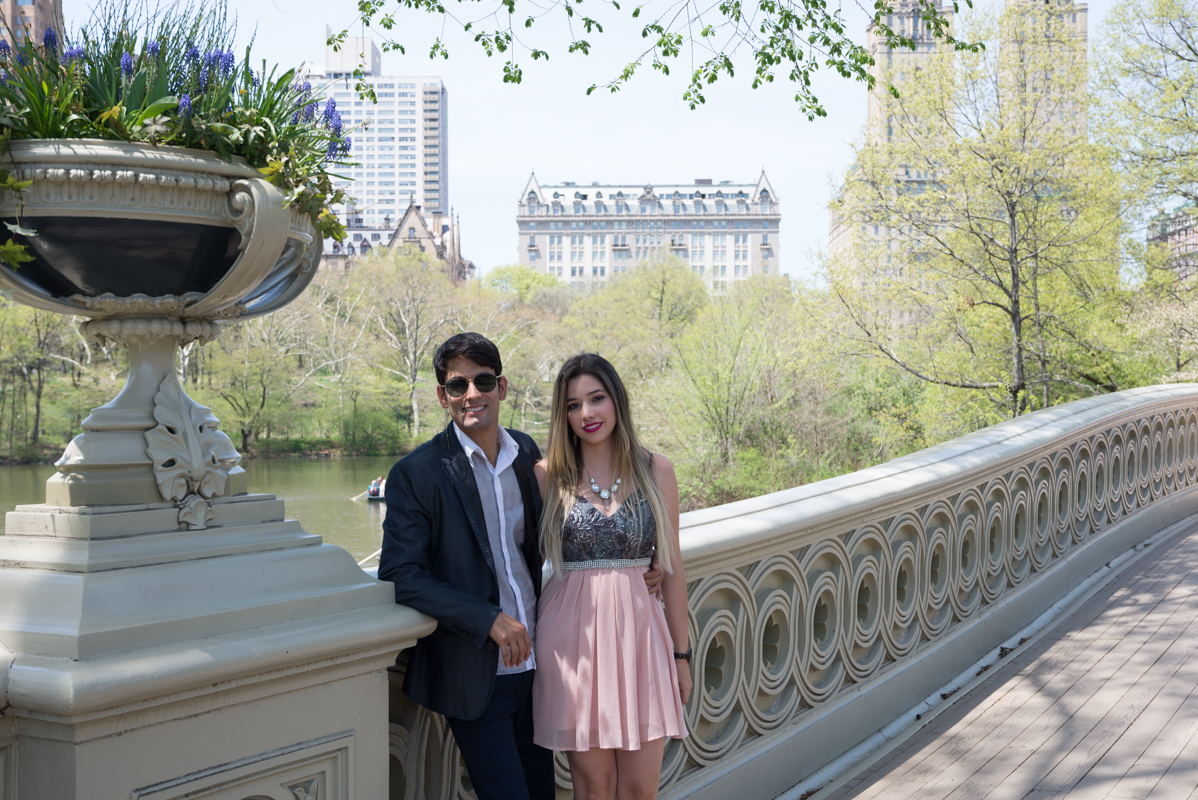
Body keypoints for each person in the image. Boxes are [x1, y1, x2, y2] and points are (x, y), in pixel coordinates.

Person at [378, 334, 662, 800]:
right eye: (458, 386)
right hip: (476, 672)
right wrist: (486, 618)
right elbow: (400, 574)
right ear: (443, 397)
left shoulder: (529, 457)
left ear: (502, 387)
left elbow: (572, 533)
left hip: (544, 664)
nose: (472, 394)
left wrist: (642, 564)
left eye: (483, 381)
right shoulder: (418, 473)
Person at [532, 353, 691, 800]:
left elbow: (673, 568)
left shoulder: (656, 469)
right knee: (594, 788)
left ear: (617, 400)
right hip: (572, 645)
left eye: (596, 398)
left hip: (641, 640)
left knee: (640, 790)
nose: (587, 413)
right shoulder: (547, 475)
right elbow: (519, 560)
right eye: (573, 405)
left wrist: (681, 656)